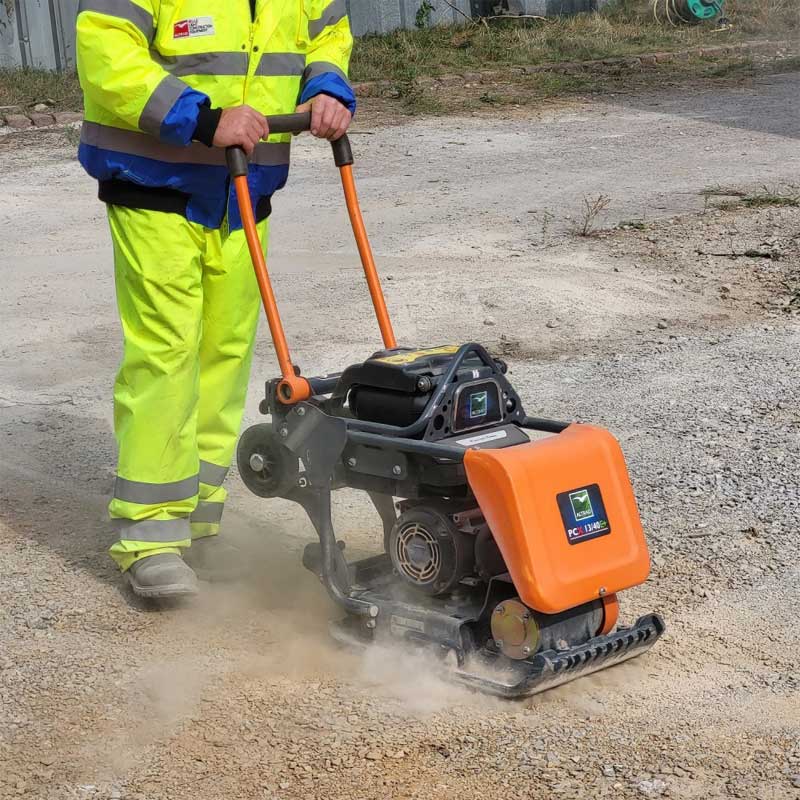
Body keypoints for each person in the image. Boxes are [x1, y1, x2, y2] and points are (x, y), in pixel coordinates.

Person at [75, 0, 355, 598]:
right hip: (155, 183)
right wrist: (201, 117)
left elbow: (327, 33)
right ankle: (150, 535)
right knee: (167, 352)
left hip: (244, 189)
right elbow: (105, 49)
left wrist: (327, 86)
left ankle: (199, 521)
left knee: (225, 354)